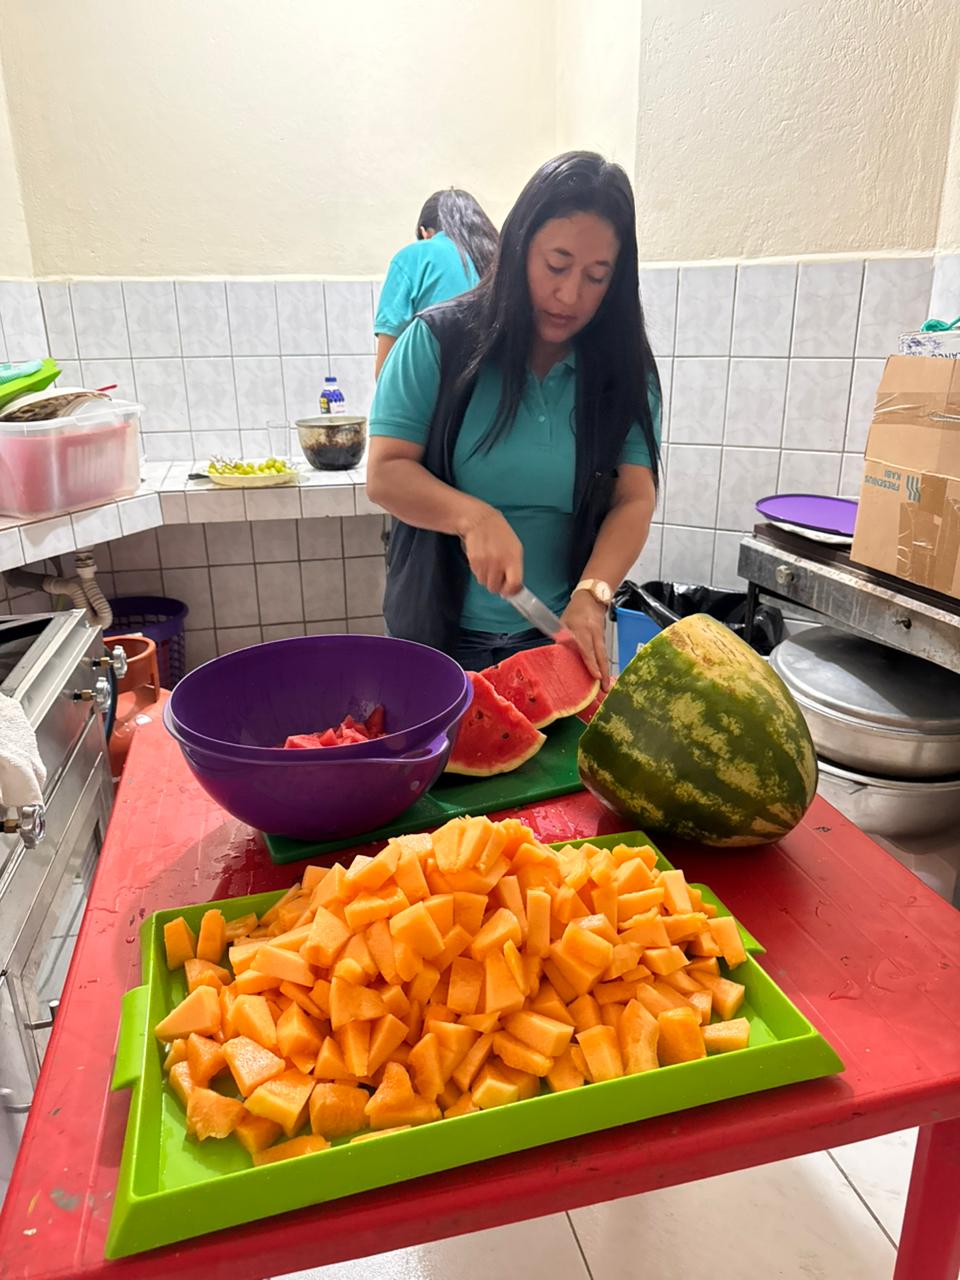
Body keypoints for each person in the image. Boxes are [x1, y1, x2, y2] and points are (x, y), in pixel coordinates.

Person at [366, 152, 661, 688]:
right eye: (556, 265)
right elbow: (385, 473)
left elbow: (633, 498)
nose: (570, 295)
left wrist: (593, 594)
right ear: (520, 246)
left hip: (555, 638)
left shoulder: (624, 370)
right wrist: (471, 517)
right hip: (437, 638)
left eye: (596, 276)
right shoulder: (436, 341)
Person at [374, 189, 498, 376]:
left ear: (424, 232)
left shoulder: (413, 257)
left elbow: (385, 372)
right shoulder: (499, 257)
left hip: (434, 390)